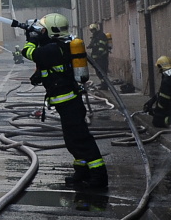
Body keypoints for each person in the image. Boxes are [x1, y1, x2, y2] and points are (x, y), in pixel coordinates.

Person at [15, 13, 107, 188]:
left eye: (43, 29)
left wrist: (32, 39)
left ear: (51, 30)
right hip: (67, 102)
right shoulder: (59, 46)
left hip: (69, 102)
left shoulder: (53, 49)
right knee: (72, 140)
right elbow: (52, 66)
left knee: (81, 139)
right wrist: (39, 75)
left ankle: (99, 176)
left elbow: (28, 52)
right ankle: (82, 171)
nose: (41, 31)